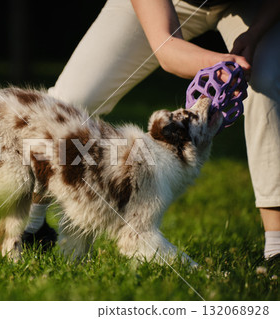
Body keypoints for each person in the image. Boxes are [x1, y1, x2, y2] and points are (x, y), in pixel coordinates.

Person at [22, 0, 280, 263]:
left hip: (250, 5)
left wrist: (255, 33)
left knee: (268, 81)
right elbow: (167, 49)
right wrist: (223, 65)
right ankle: (31, 225)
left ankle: (276, 244)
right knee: (70, 99)